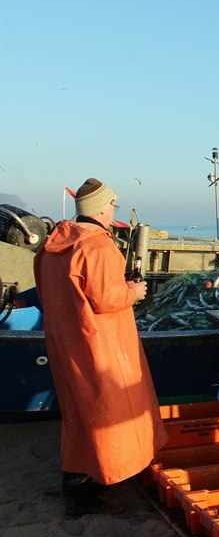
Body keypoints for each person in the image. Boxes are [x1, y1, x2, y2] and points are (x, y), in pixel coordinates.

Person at [33, 178, 167, 518]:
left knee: (78, 415)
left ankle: (74, 489)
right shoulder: (98, 247)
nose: (113, 214)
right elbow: (108, 299)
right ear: (103, 208)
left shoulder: (50, 247)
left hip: (65, 344)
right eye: (113, 207)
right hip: (100, 346)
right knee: (109, 414)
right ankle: (101, 488)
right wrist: (134, 293)